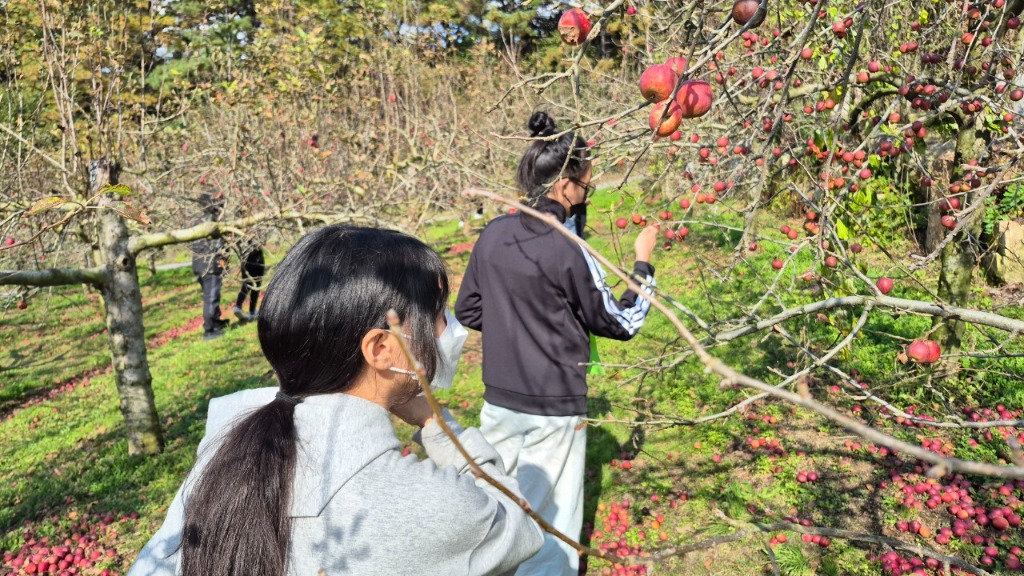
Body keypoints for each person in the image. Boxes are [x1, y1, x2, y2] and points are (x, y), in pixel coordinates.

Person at [128, 225, 543, 576]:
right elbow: (519, 524)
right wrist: (437, 424)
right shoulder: (414, 502)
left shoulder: (223, 450)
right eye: (436, 313)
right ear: (381, 348)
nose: (447, 328)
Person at [454, 111, 660, 576]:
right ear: (566, 185)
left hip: (499, 398)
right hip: (554, 407)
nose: (588, 192)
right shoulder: (569, 247)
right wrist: (643, 265)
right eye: (587, 184)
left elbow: (468, 310)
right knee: (554, 527)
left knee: (498, 501)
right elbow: (621, 322)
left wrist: (514, 326)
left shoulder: (494, 235)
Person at [191, 192, 229, 340]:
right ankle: (209, 330)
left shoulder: (197, 221)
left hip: (200, 265)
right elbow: (220, 248)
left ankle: (216, 322)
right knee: (211, 298)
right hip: (210, 267)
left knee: (210, 296)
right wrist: (222, 263)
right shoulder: (212, 224)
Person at [233, 239, 265, 322]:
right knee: (256, 285)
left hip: (245, 259)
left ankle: (238, 306)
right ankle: (252, 311)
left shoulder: (240, 234)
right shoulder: (256, 231)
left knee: (246, 284)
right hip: (257, 260)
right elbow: (261, 242)